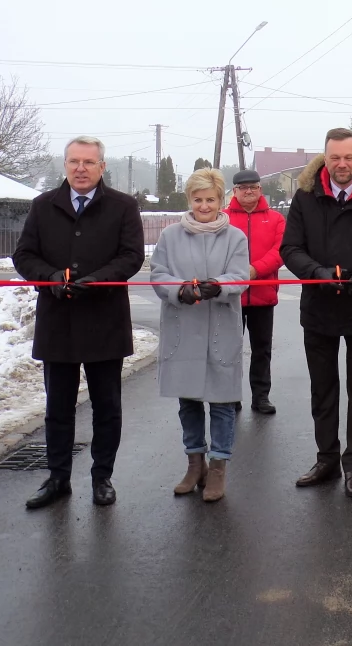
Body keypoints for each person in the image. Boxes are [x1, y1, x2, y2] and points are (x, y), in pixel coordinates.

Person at [13, 136, 145, 509]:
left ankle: (102, 476)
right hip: (59, 321)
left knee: (107, 407)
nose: (81, 168)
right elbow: (23, 256)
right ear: (65, 166)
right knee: (57, 407)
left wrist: (98, 280)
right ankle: (57, 478)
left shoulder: (122, 206)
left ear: (102, 167)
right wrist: (52, 277)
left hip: (105, 320)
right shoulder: (42, 206)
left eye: (89, 162)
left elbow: (132, 256)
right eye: (74, 161)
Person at [281, 128, 352, 498]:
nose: (342, 164)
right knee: (324, 389)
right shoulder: (305, 197)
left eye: (348, 157)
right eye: (335, 158)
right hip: (319, 307)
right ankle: (327, 458)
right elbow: (291, 248)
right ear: (325, 159)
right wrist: (315, 273)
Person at [150, 169, 250, 502]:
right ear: (189, 200)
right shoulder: (170, 236)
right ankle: (195, 463)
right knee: (188, 400)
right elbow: (158, 275)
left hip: (221, 326)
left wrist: (218, 286)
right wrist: (180, 291)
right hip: (184, 326)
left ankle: (219, 467)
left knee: (222, 403)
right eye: (197, 199)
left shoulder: (235, 237)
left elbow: (240, 276)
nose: (204, 205)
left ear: (221, 200)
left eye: (210, 199)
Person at [224, 169, 286, 415]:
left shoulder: (275, 219)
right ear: (235, 191)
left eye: (253, 187)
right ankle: (230, 395)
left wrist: (254, 270)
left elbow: (280, 250)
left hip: (263, 295)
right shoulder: (223, 218)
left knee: (262, 349)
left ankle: (261, 396)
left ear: (260, 189)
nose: (248, 191)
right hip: (230, 296)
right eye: (243, 187)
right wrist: (237, 274)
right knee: (229, 349)